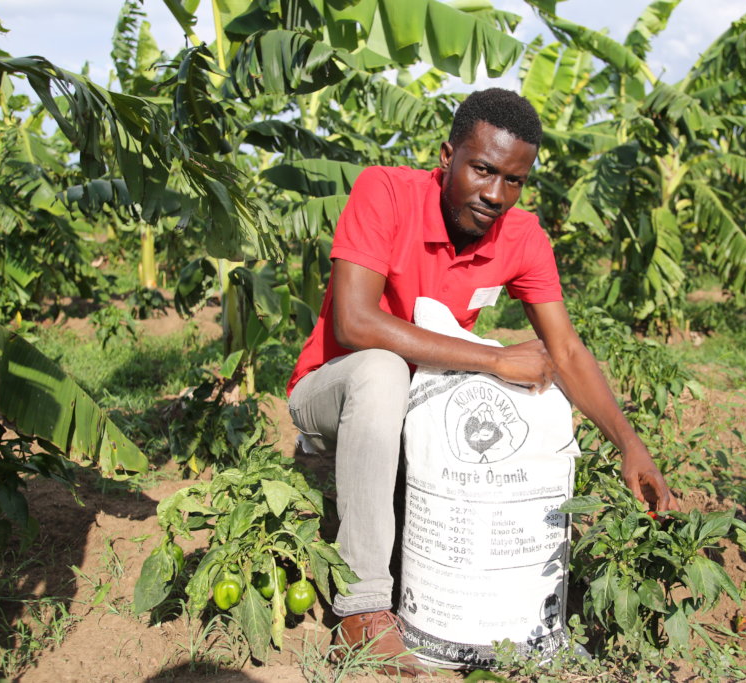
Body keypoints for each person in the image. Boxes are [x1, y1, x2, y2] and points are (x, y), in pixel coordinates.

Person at [286, 88, 677, 675]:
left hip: (418, 410)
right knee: (381, 366)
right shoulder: (385, 193)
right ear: (447, 156)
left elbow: (565, 348)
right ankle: (361, 611)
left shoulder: (520, 238)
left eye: (514, 181)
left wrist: (630, 444)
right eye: (483, 170)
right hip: (333, 391)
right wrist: (492, 358)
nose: (496, 195)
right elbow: (355, 321)